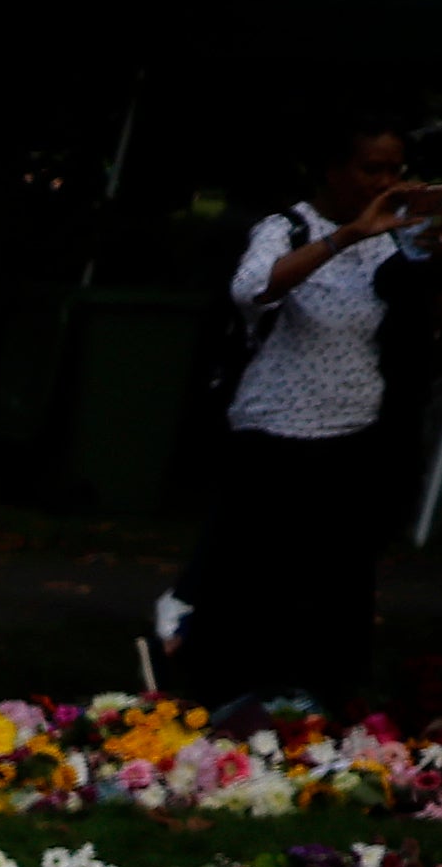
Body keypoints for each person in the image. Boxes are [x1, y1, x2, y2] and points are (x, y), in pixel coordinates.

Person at [179, 120, 426, 716]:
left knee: (337, 583)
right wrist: (345, 237)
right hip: (275, 428)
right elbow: (252, 289)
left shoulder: (399, 237)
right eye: (372, 169)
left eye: (395, 169)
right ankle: (228, 700)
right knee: (253, 577)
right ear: (334, 170)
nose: (386, 182)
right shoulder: (287, 228)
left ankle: (323, 704)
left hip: (357, 429)